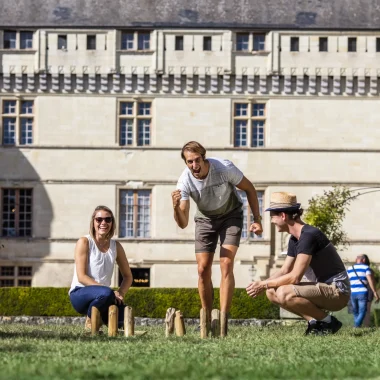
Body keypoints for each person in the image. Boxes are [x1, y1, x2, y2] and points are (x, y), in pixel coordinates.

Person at [172, 141, 263, 335]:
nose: (194, 166)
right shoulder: (184, 181)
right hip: (205, 220)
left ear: (204, 158)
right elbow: (183, 223)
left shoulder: (224, 168)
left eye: (197, 160)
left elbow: (250, 188)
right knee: (202, 268)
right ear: (185, 163)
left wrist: (257, 219)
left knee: (225, 263)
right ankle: (206, 318)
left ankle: (223, 321)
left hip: (231, 215)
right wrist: (175, 207)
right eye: (189, 162)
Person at [246, 192, 350, 336]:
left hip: (337, 291)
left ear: (283, 216)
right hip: (322, 288)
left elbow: (294, 277)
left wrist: (263, 284)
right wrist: (263, 285)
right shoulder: (295, 239)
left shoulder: (309, 235)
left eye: (272, 217)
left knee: (283, 292)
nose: (272, 221)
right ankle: (315, 323)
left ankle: (329, 322)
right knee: (271, 291)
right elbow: (284, 270)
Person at [69, 205, 133, 331]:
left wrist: (120, 293)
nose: (103, 223)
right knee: (106, 293)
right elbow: (82, 277)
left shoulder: (116, 247)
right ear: (93, 222)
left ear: (112, 223)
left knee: (121, 320)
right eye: (99, 220)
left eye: (107, 220)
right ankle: (90, 321)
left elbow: (128, 276)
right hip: (80, 293)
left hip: (105, 296)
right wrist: (109, 291)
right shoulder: (84, 242)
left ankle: (99, 317)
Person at [347, 254, 379, 328]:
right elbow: (370, 281)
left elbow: (347, 281)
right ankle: (356, 326)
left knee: (355, 311)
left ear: (356, 259)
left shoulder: (350, 268)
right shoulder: (366, 268)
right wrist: (374, 292)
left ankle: (357, 327)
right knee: (363, 311)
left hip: (353, 292)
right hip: (362, 292)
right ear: (363, 260)